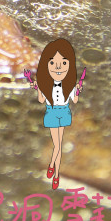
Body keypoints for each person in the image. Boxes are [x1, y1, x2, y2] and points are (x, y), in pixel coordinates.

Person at [29, 38, 83, 190]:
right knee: (57, 144)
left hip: (62, 112)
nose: (58, 67)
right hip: (54, 112)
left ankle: (54, 168)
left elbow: (75, 98)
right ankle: (55, 169)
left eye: (64, 63)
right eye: (53, 63)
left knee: (58, 144)